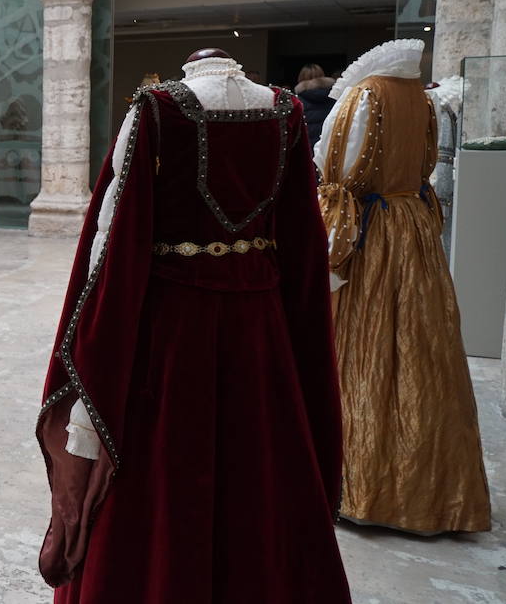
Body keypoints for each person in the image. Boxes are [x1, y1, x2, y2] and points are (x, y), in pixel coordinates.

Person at [37, 49, 350, 603]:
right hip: (261, 333)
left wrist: (93, 361)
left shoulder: (155, 110)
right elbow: (304, 249)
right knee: (258, 473)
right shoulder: (283, 112)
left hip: (172, 336)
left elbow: (113, 250)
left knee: (163, 483)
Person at [315, 39, 491, 534]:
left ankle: (365, 487)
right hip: (411, 225)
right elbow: (425, 165)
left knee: (367, 343)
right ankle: (434, 488)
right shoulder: (423, 99)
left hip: (373, 230)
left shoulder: (366, 95)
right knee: (423, 346)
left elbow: (339, 169)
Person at [294, 63, 337, 152]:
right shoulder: (335, 97)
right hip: (329, 146)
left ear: (301, 79)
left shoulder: (297, 101)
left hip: (307, 149)